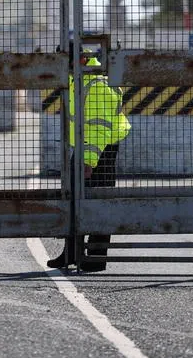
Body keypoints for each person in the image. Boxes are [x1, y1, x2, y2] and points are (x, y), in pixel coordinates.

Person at [47, 42, 131, 272]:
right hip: (87, 148)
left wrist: (88, 161)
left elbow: (99, 128)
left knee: (99, 201)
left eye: (66, 62)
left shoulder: (97, 84)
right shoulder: (79, 81)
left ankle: (95, 258)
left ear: (80, 60)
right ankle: (71, 254)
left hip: (100, 150)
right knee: (74, 198)